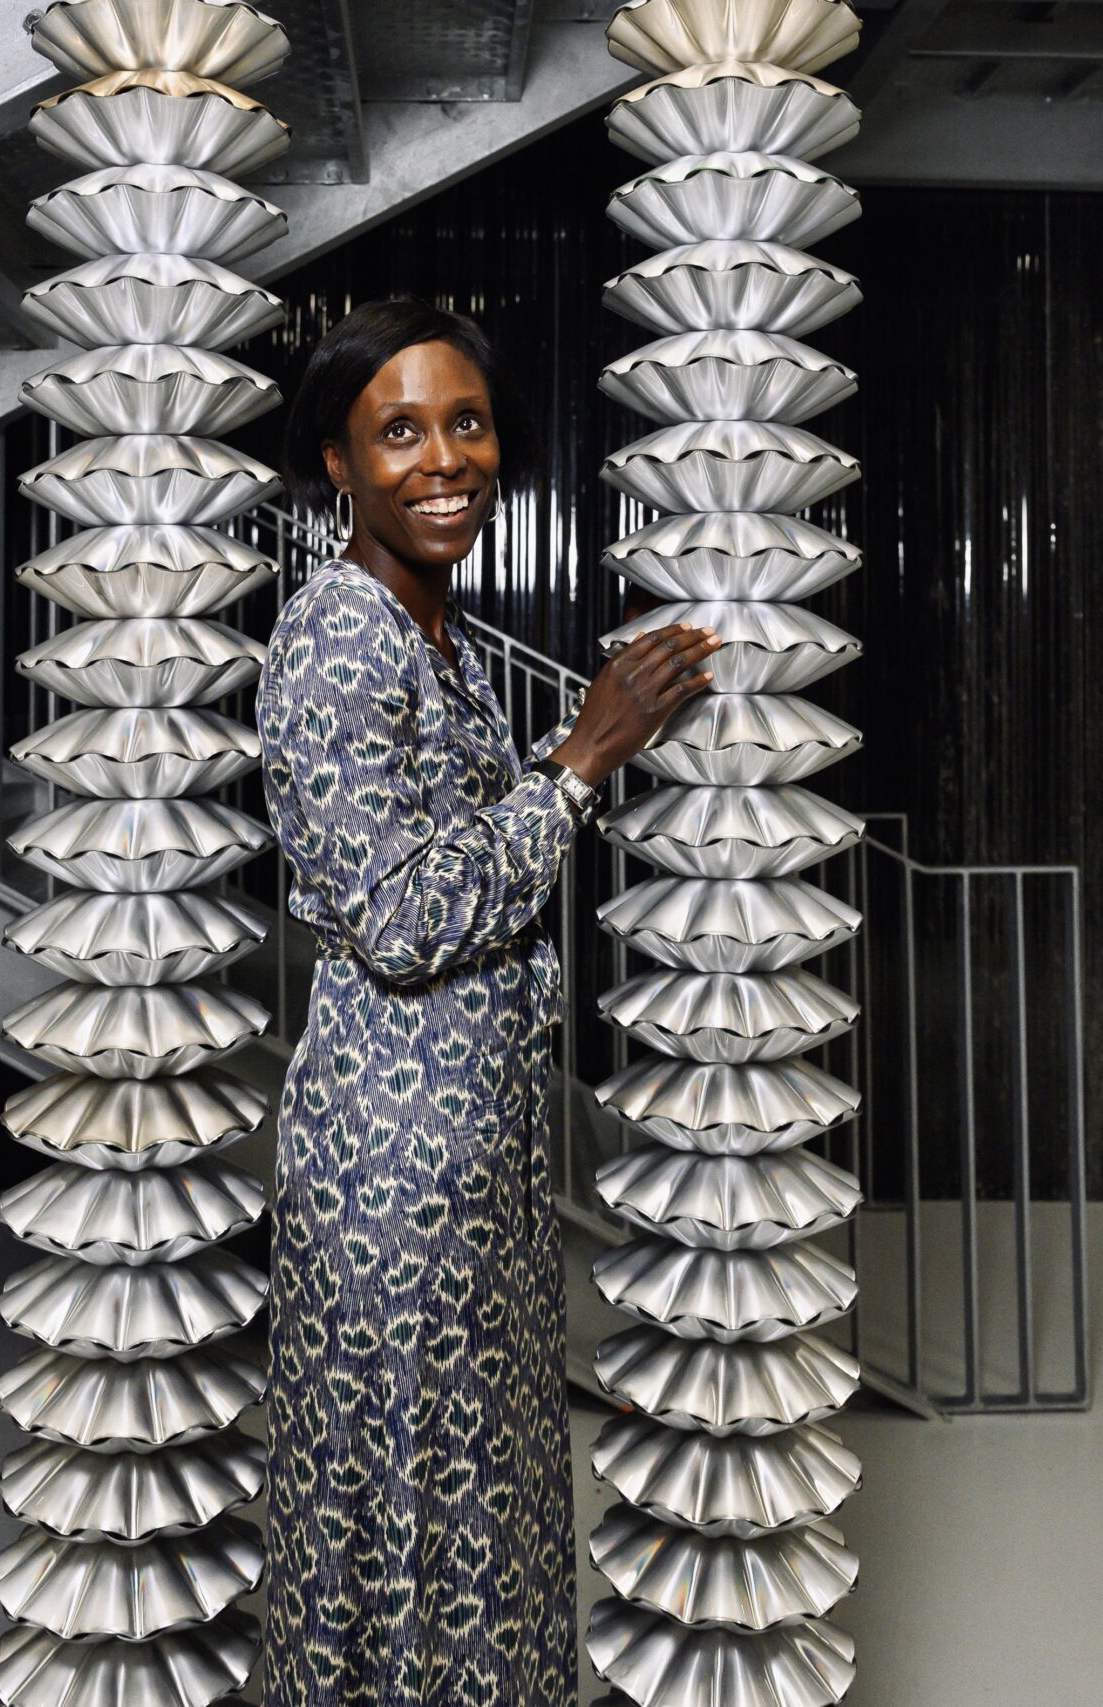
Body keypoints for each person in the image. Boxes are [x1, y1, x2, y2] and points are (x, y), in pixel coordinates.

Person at [254, 295, 723, 1705]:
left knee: (476, 1505)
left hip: (474, 1163)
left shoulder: (429, 633)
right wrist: (580, 762)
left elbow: (453, 846)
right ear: (338, 464)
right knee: (408, 1520)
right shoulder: (338, 636)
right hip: (395, 1176)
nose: (444, 459)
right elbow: (399, 919)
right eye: (398, 432)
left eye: (466, 423)